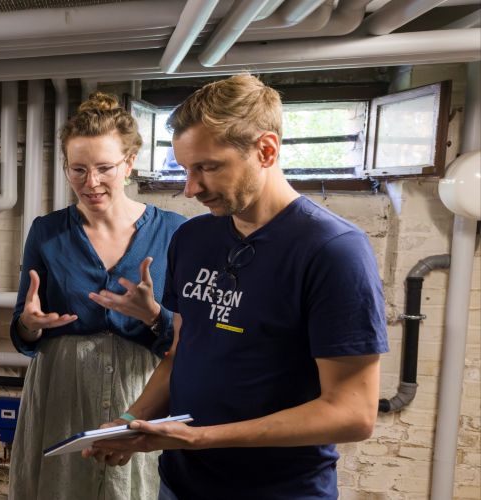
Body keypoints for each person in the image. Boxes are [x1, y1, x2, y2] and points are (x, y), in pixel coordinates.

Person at [87, 74, 387, 500]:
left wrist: (201, 437)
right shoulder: (193, 239)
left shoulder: (333, 250)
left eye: (208, 167)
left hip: (279, 491)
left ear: (266, 150)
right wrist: (129, 423)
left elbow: (353, 413)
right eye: (186, 169)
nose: (191, 188)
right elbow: (180, 354)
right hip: (181, 484)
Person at [7, 92, 186, 500]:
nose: (91, 183)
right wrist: (30, 326)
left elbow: (185, 340)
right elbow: (23, 328)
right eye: (78, 169)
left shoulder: (175, 231)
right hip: (61, 391)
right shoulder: (46, 231)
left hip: (141, 390)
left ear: (129, 163)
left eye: (104, 168)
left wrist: (155, 315)